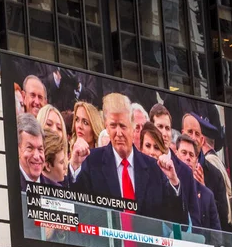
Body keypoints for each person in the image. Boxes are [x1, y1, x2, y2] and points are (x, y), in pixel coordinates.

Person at [69, 93, 185, 224]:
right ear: (106, 126)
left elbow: (178, 220)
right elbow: (77, 210)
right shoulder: (91, 161)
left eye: (123, 126)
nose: (118, 133)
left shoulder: (154, 168)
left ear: (133, 127)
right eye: (113, 126)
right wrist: (74, 167)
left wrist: (174, 182)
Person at [149, 104, 202, 228]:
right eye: (160, 127)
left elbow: (195, 218)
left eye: (167, 128)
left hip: (178, 240)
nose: (164, 133)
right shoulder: (141, 162)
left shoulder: (185, 171)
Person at [182, 112, 230, 230]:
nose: (193, 137)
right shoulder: (172, 166)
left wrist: (204, 190)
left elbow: (223, 217)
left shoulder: (215, 174)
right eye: (189, 132)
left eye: (197, 134)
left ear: (202, 139)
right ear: (182, 133)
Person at [176, 134, 221, 230]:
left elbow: (216, 235)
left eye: (191, 155)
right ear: (176, 156)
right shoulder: (166, 185)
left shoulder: (208, 195)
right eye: (184, 153)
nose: (188, 158)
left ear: (196, 161)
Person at [18, 114, 58, 190]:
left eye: (40, 149)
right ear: (18, 150)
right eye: (30, 148)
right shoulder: (8, 188)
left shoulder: (56, 191)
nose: (36, 156)